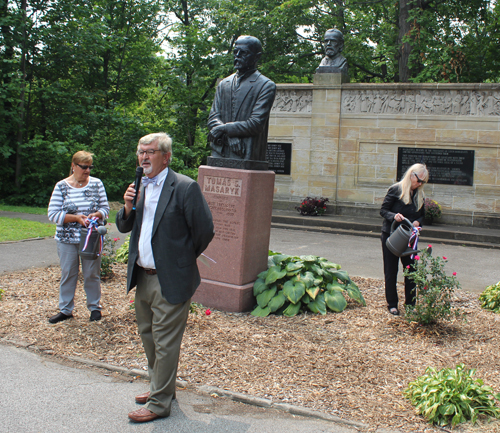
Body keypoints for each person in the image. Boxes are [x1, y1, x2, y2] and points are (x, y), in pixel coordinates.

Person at [116, 132, 214, 423]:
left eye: (150, 152)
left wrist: (180, 260)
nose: (144, 157)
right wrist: (127, 206)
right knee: (148, 337)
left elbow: (204, 230)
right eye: (140, 152)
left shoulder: (184, 187)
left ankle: (159, 404)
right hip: (143, 276)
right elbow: (125, 226)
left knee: (165, 341)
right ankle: (162, 387)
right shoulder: (139, 187)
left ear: (166, 156)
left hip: (171, 278)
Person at [47, 151, 109, 323]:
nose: (87, 170)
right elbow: (52, 214)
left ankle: (95, 308)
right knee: (68, 273)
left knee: (91, 274)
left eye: (90, 167)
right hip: (67, 239)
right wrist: (76, 218)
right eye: (84, 167)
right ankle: (66, 310)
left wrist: (96, 214)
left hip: (91, 238)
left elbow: (105, 209)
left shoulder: (97, 184)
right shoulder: (61, 186)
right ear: (73, 166)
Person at [208, 35, 276, 161]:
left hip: (247, 154)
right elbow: (213, 118)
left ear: (257, 57)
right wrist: (230, 136)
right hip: (220, 151)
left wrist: (224, 128)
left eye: (243, 53)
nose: (237, 56)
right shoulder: (224, 84)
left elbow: (256, 123)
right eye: (235, 52)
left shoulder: (265, 85)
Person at [380, 163, 429, 316]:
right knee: (391, 270)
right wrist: (393, 216)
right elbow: (383, 210)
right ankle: (392, 304)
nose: (420, 184)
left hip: (410, 237)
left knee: (411, 270)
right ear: (411, 175)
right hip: (392, 235)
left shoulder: (419, 195)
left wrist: (418, 222)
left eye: (423, 182)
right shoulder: (396, 190)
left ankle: (410, 304)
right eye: (419, 180)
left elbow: (422, 215)